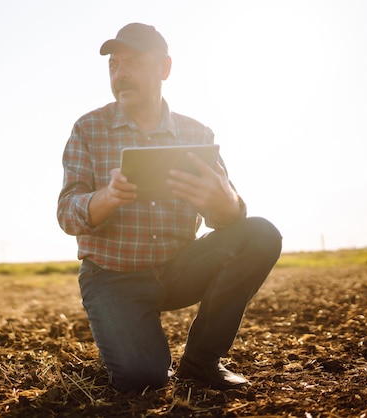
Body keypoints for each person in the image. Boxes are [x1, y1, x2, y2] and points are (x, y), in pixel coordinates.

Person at [57, 23, 282, 393]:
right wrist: (106, 198)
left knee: (259, 234)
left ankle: (201, 362)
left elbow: (229, 217)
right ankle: (132, 336)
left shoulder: (198, 134)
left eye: (133, 63)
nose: (120, 73)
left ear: (164, 68)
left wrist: (224, 202)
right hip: (112, 277)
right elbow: (67, 211)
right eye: (114, 65)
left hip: (178, 268)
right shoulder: (88, 129)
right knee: (143, 380)